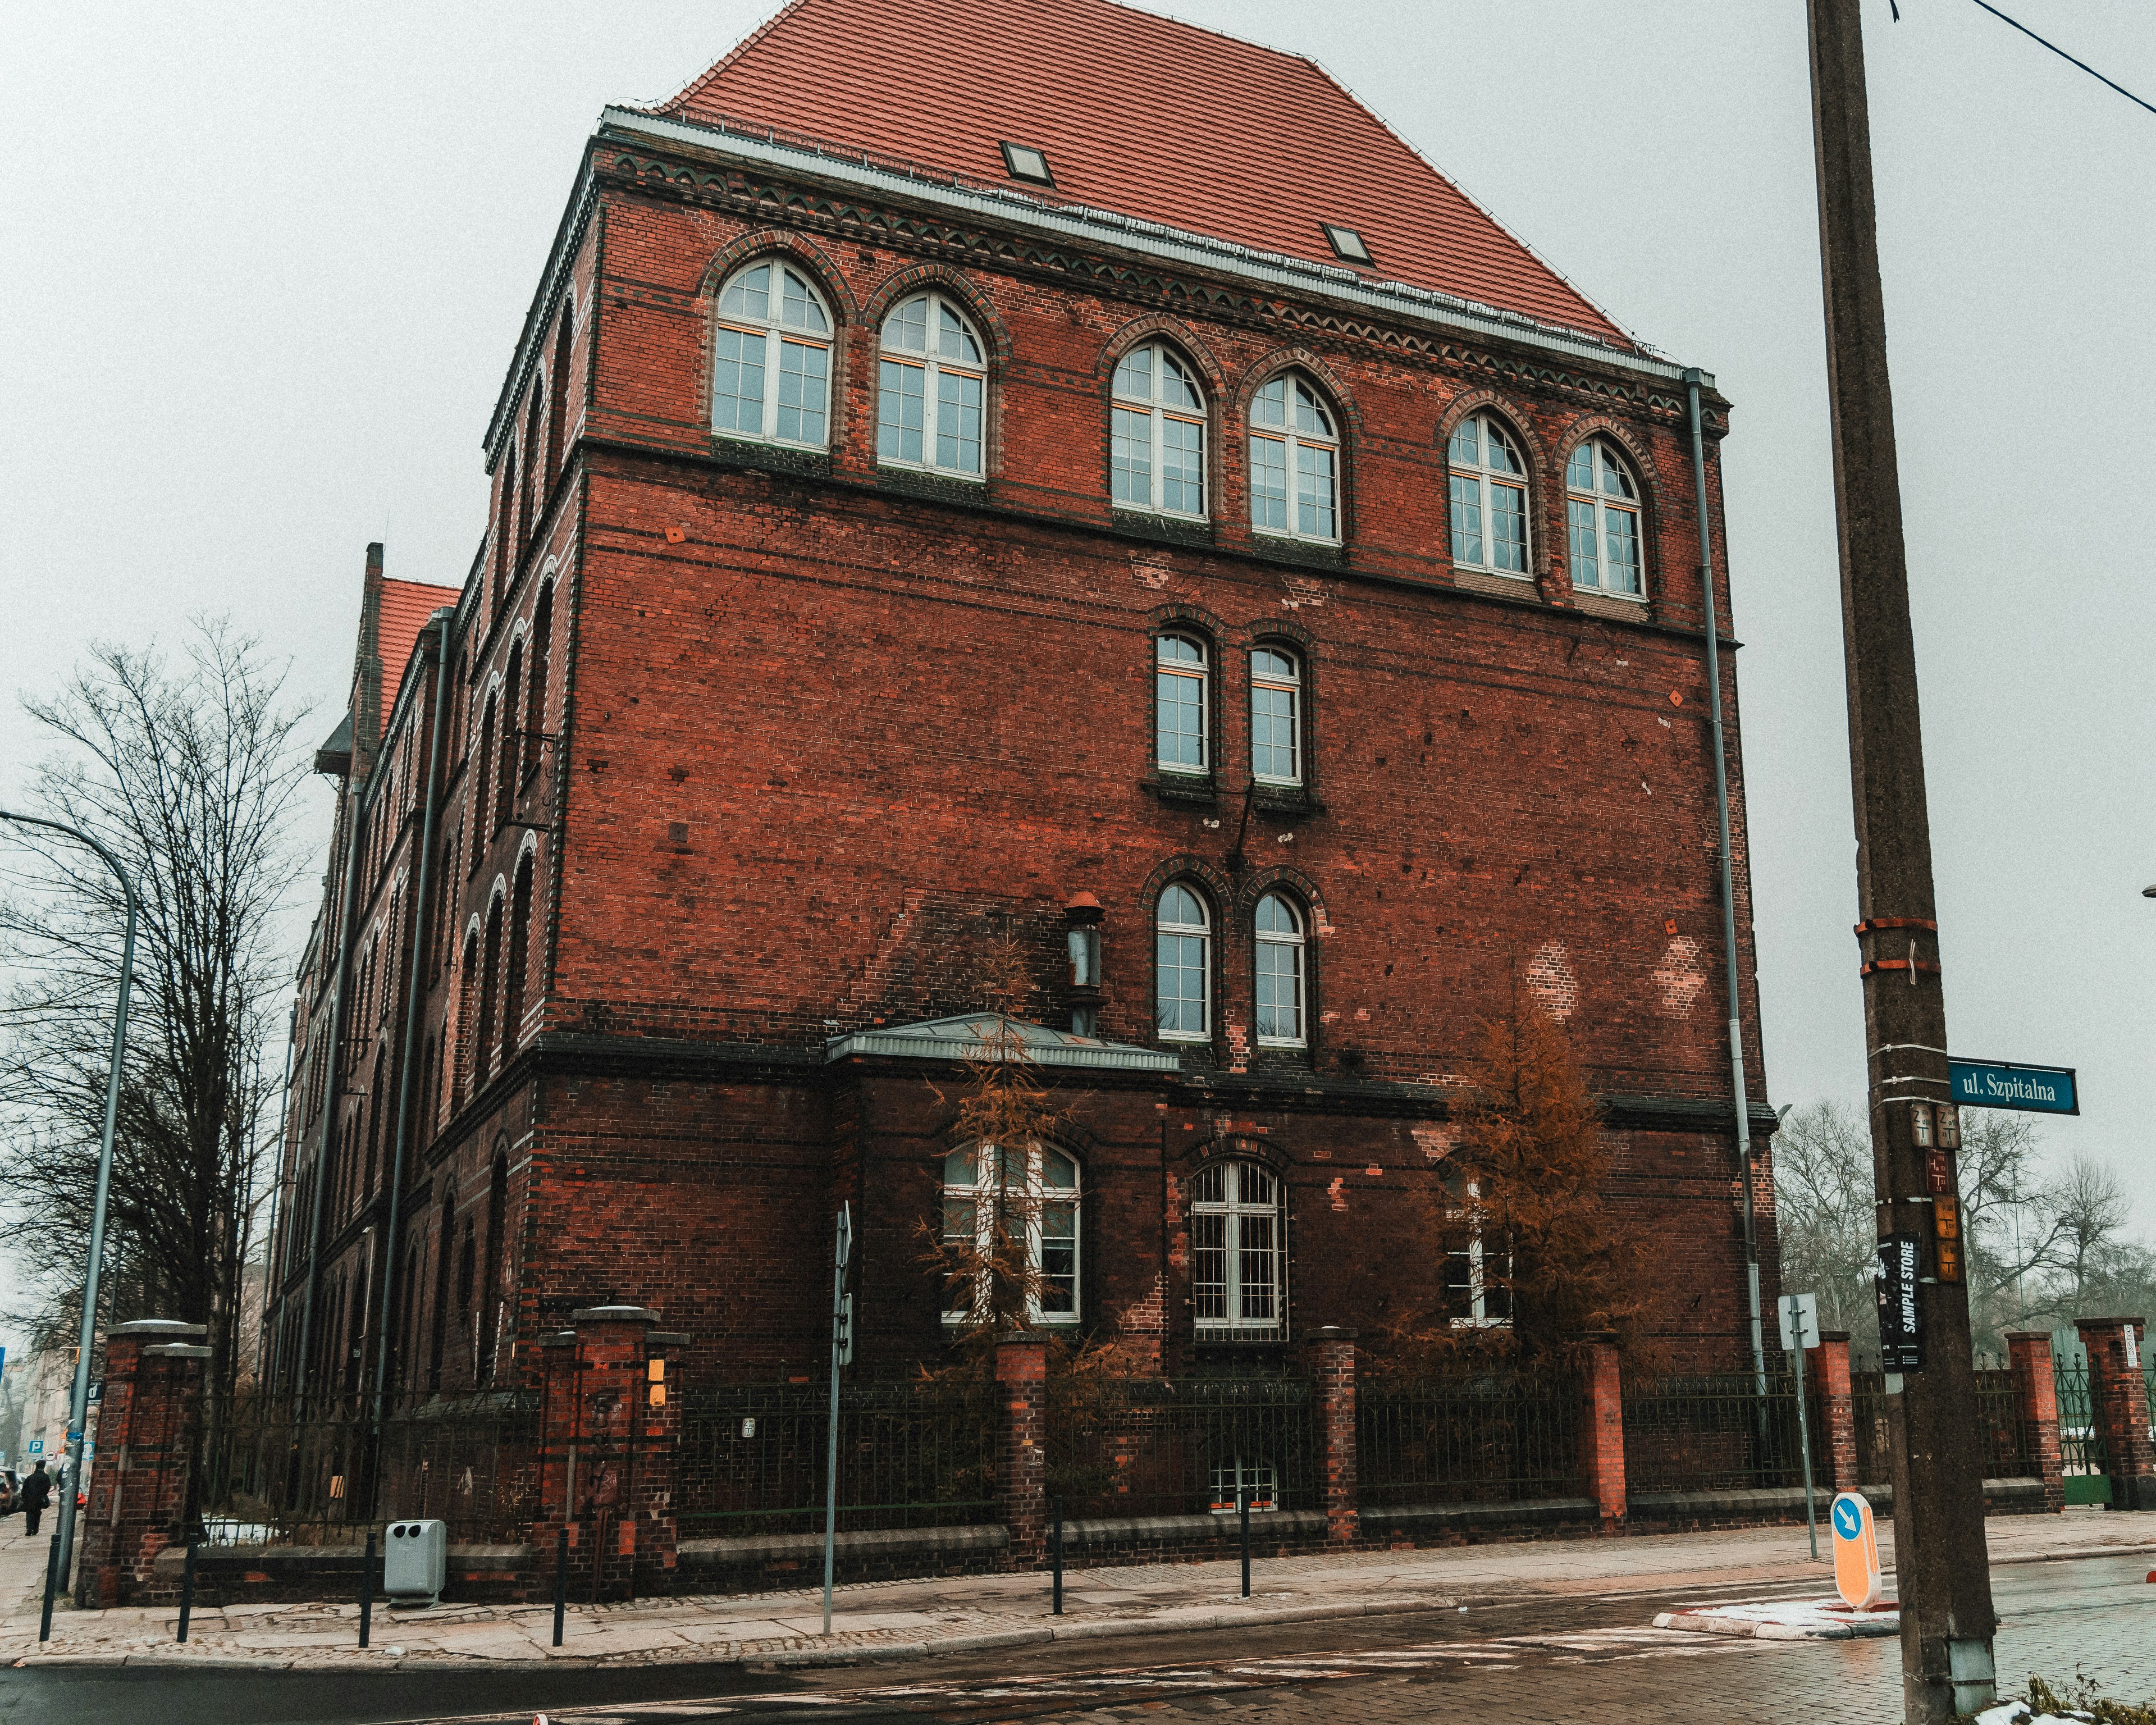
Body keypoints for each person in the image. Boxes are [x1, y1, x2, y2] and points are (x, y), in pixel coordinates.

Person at [18, 1461, 51, 1537]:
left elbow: (24, 1489)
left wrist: (24, 1498)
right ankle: (35, 1529)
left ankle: (29, 1528)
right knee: (37, 1513)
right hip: (39, 1499)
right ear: (43, 1467)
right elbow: (47, 1487)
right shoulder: (45, 1477)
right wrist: (43, 1495)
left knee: (30, 1513)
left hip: (29, 1499)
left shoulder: (30, 1477)